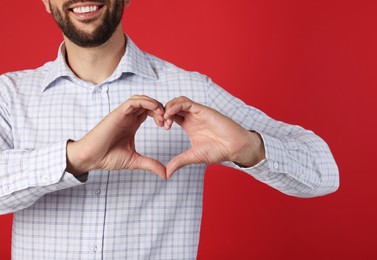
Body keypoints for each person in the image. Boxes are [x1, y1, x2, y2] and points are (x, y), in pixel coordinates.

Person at [0, 0, 339, 259]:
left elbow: (325, 172)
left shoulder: (192, 93)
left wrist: (249, 149)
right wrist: (74, 157)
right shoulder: (11, 95)